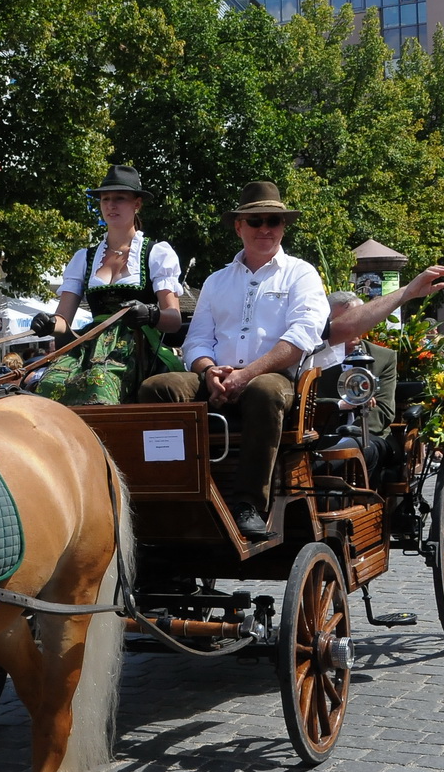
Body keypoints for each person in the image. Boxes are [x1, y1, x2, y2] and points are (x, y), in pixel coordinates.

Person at [139, 181, 327, 539]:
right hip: (218, 376)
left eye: (273, 220)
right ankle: (173, 492)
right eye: (255, 221)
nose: (265, 228)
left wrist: (246, 375)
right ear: (239, 227)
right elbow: (197, 341)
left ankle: (247, 503)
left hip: (274, 378)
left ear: (283, 227)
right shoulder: (216, 280)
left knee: (263, 391)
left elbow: (300, 339)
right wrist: (209, 371)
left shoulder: (301, 274)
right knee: (157, 388)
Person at [32, 165, 183, 405]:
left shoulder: (157, 254)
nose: (111, 205)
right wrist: (49, 323)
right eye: (105, 199)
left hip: (138, 347)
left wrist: (150, 314)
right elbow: (63, 321)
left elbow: (173, 320)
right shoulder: (84, 258)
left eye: (120, 198)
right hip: (90, 345)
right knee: (47, 383)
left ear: (137, 204)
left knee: (99, 381)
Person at [312, 292, 397, 477]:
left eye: (358, 320)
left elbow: (384, 411)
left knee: (354, 449)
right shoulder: (313, 357)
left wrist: (353, 427)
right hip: (322, 434)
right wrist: (341, 405)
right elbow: (306, 403)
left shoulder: (383, 357)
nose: (352, 327)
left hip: (369, 436)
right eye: (344, 321)